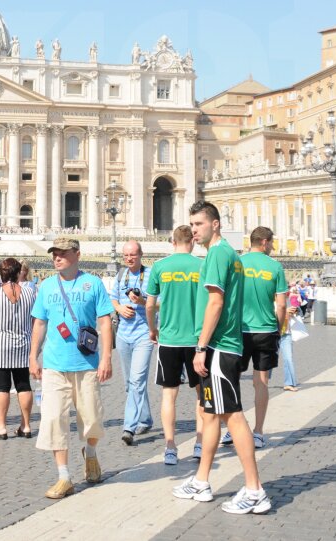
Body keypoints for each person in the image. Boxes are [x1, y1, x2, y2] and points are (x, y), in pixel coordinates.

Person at [173, 201, 271, 515]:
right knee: (209, 412)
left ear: (215, 224)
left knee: (233, 415)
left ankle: (255, 489)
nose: (194, 230)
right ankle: (201, 480)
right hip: (223, 345)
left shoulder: (217, 254)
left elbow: (215, 302)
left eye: (199, 224)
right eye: (191, 224)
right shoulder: (231, 254)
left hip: (218, 347)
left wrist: (201, 347)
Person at [30, 237, 113, 499]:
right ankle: (64, 476)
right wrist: (34, 356)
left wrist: (106, 358)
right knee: (54, 419)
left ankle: (90, 452)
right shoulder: (46, 286)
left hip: (86, 363)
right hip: (54, 364)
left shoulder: (93, 284)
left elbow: (105, 321)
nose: (57, 258)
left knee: (92, 419)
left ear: (77, 254)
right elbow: (40, 323)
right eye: (54, 253)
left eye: (63, 253)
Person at [145, 224, 203, 465]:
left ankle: (170, 447)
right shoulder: (203, 266)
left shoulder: (159, 267)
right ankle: (200, 444)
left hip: (168, 339)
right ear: (193, 242)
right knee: (201, 395)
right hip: (197, 339)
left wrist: (152, 329)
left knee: (169, 395)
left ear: (173, 242)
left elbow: (149, 305)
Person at [235, 226, 287, 451]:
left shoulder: (238, 263)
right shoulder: (275, 266)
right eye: (272, 243)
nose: (273, 247)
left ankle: (234, 427)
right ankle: (257, 432)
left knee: (232, 380)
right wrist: (278, 328)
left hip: (239, 330)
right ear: (264, 242)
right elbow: (282, 304)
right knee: (261, 382)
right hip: (266, 330)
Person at [0, 256, 37, 439]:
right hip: (23, 344)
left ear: (1, 274)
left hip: (0, 345)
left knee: (2, 388)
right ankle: (25, 426)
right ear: (19, 273)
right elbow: (36, 321)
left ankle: (1, 427)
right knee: (24, 386)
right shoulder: (30, 294)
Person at [112, 240, 154, 445]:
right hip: (123, 335)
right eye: (126, 255)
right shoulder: (121, 276)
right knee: (130, 383)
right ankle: (145, 418)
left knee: (137, 381)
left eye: (133, 255)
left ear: (141, 255)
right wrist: (119, 309)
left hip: (144, 335)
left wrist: (143, 301)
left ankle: (129, 427)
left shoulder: (152, 275)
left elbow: (160, 303)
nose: (129, 258)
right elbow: (113, 299)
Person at [278, 285, 301, 392]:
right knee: (267, 359)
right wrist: (285, 311)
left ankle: (289, 383)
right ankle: (262, 380)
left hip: (286, 333)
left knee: (289, 359)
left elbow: (299, 312)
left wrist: (295, 311)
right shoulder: (269, 301)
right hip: (273, 334)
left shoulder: (289, 300)